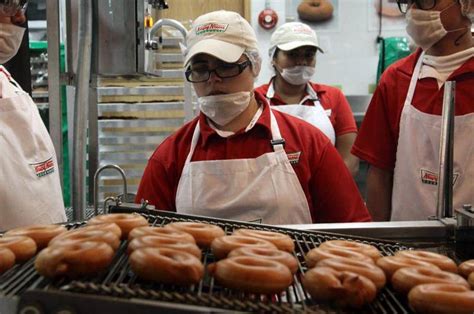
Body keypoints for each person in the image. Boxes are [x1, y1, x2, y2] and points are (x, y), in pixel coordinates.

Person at [135, 10, 370, 224]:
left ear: (255, 66)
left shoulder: (309, 144)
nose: (212, 79)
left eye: (227, 66)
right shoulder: (170, 157)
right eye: (200, 68)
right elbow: (144, 241)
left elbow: (352, 231)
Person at [352, 0, 474, 221]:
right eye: (408, 3)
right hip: (406, 247)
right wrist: (380, 243)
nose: (415, 11)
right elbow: (380, 174)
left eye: (426, 1)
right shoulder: (396, 79)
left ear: (467, 4)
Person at [255, 22, 360, 176]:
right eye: (292, 54)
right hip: (272, 191)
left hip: (325, 191)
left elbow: (350, 159)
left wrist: (330, 189)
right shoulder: (256, 99)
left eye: (309, 55)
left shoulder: (333, 96)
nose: (302, 61)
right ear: (273, 58)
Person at [0, 0, 66, 230]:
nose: (20, 17)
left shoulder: (8, 83)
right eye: (7, 5)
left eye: (22, 5)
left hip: (44, 261)